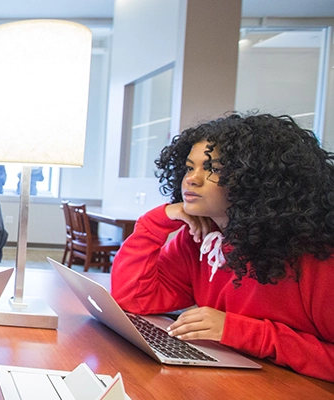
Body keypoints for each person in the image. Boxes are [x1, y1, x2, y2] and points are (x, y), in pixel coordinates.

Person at [110, 113, 334, 382]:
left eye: (213, 169)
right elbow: (134, 298)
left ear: (256, 181)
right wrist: (156, 221)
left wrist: (240, 331)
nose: (191, 179)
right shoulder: (202, 239)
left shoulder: (317, 256)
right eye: (189, 167)